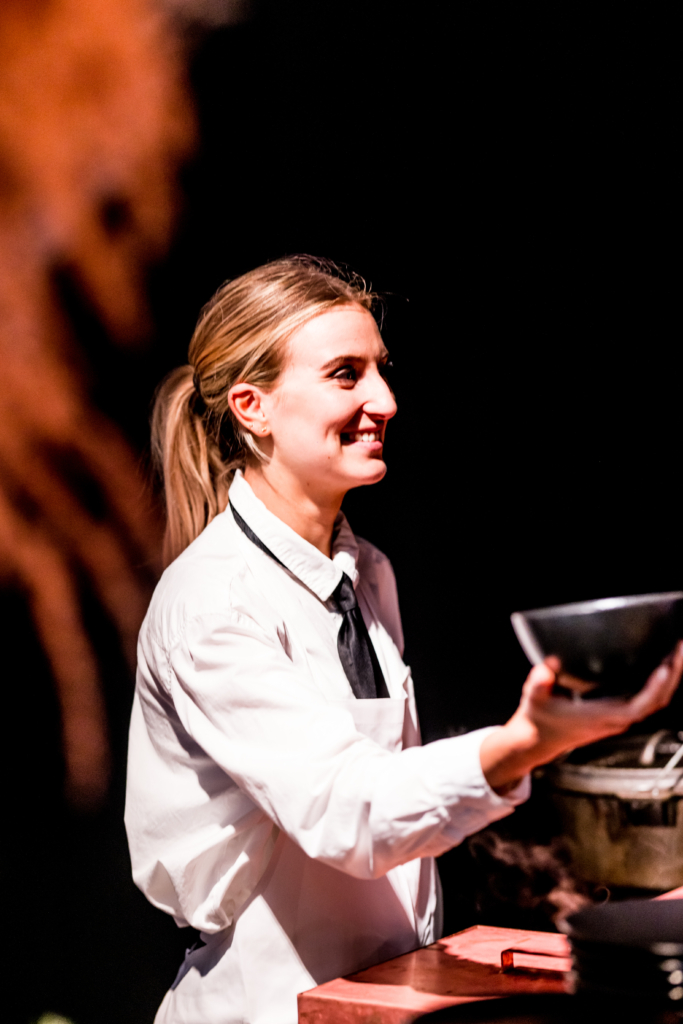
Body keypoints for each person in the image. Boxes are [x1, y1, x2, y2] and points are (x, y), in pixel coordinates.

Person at [125, 256, 683, 1024]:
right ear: (252, 406)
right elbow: (346, 810)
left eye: (380, 370)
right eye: (344, 374)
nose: (384, 401)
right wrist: (525, 741)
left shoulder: (367, 572)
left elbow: (391, 805)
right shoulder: (212, 603)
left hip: (384, 996)